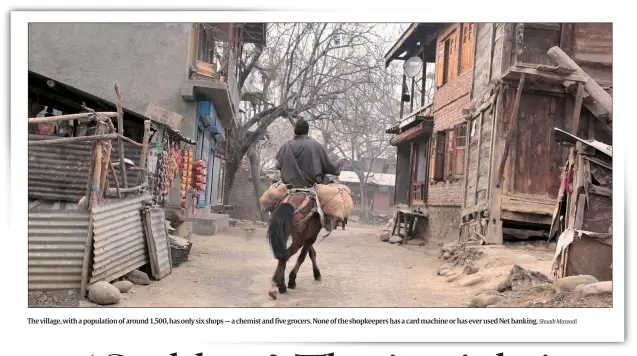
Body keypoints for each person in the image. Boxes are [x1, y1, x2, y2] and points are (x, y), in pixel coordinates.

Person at [275, 118, 345, 189]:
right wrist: (337, 164)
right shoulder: (316, 145)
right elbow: (327, 166)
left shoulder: (286, 146)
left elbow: (278, 166)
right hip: (313, 186)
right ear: (307, 131)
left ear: (295, 131)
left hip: (289, 186)